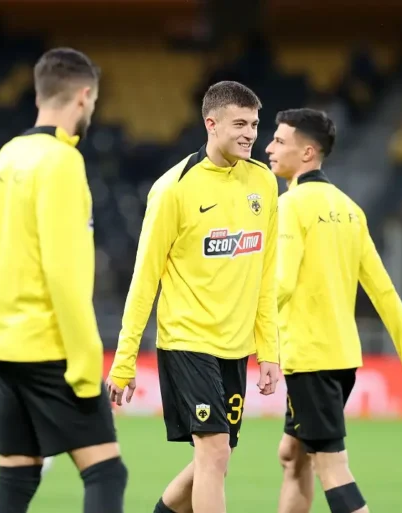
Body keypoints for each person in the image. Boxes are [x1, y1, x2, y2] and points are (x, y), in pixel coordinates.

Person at [106, 80, 280, 513]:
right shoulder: (174, 189)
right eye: (240, 124)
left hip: (235, 347)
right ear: (211, 124)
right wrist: (125, 360)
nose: (250, 134)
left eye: (254, 124)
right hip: (188, 341)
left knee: (217, 458)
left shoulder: (264, 182)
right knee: (214, 452)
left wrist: (269, 350)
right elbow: (144, 279)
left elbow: (266, 274)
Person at [0, 47, 127, 513]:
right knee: (106, 472)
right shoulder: (61, 161)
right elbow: (64, 273)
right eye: (94, 101)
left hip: (3, 344)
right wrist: (85, 362)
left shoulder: (3, 159)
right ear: (83, 96)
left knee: (18, 478)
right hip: (48, 347)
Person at [265, 108, 402, 513]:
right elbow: (383, 291)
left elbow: (281, 283)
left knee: (332, 467)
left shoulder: (291, 206)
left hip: (310, 359)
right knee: (292, 455)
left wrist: (248, 329)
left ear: (307, 153)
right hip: (341, 359)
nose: (268, 147)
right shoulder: (350, 210)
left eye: (279, 141)